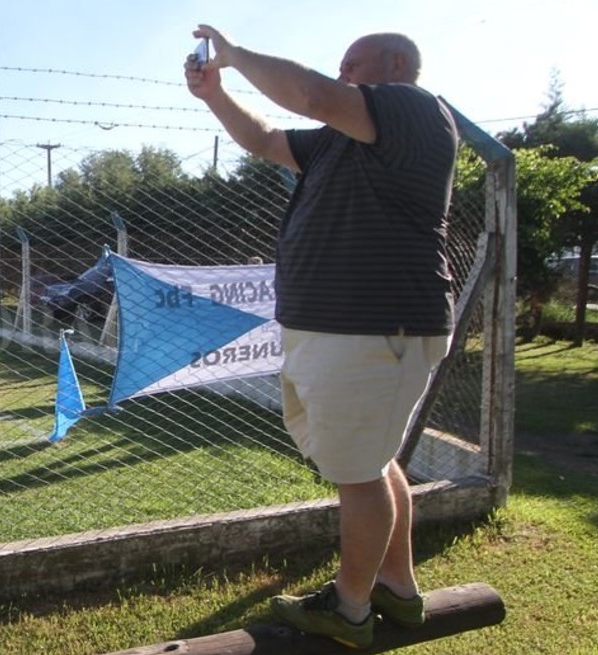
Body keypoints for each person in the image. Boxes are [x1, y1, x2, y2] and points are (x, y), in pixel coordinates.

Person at [185, 26, 457, 649]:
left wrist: (235, 55)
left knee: (360, 474)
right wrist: (215, 96)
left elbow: (312, 96)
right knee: (373, 463)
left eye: (352, 63)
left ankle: (351, 608)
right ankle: (398, 588)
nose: (342, 71)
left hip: (369, 327)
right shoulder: (344, 141)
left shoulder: (414, 109)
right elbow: (266, 137)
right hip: (343, 330)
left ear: (395, 64)